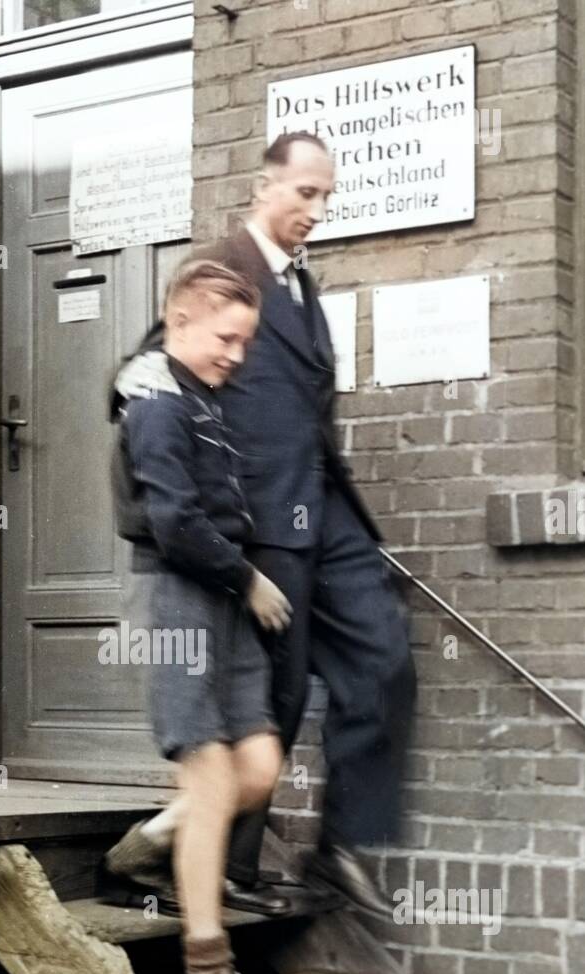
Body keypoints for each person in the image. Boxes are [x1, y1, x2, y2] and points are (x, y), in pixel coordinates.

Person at [107, 131, 417, 930]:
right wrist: (136, 396)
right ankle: (219, 863)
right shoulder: (224, 268)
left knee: (382, 653)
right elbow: (149, 365)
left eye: (325, 197)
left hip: (325, 507)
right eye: (303, 193)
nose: (316, 210)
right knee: (272, 696)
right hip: (262, 514)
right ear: (263, 186)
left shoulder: (305, 287)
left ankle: (340, 841)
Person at [106, 257, 294, 974]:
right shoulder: (154, 405)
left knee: (259, 770)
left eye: (246, 341)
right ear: (178, 322)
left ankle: (142, 849)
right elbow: (177, 524)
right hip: (183, 593)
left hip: (225, 600)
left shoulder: (202, 400)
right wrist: (247, 577)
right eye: (226, 338)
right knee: (214, 779)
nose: (236, 355)